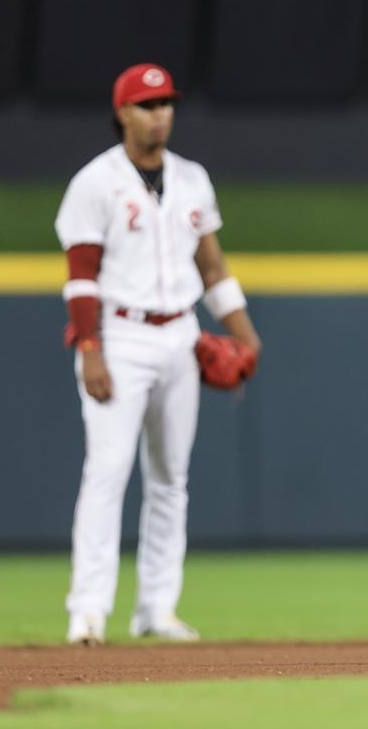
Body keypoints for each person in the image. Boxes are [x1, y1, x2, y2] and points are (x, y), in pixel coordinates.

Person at [55, 63, 262, 645]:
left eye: (167, 103)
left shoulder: (192, 178)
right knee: (108, 473)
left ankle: (156, 609)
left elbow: (213, 265)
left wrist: (245, 334)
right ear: (122, 112)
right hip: (119, 337)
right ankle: (89, 611)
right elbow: (81, 280)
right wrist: (91, 350)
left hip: (181, 336)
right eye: (148, 105)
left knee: (172, 478)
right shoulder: (95, 183)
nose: (160, 114)